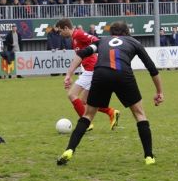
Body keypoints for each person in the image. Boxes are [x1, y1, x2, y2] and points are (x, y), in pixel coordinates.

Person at [57, 21, 163, 166]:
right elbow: (152, 68)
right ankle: (149, 157)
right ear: (126, 33)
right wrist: (159, 91)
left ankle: (69, 150)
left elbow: (81, 53)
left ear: (111, 33)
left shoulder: (102, 41)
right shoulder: (134, 42)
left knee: (87, 115)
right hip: (123, 75)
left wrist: (69, 74)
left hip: (101, 74)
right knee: (139, 114)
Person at [55, 19, 120, 132]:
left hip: (91, 70)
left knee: (72, 94)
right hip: (91, 70)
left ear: (66, 28)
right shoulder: (74, 38)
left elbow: (96, 40)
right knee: (84, 101)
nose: (60, 34)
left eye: (60, 31)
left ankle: (86, 124)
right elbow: (80, 57)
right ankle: (111, 112)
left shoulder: (78, 34)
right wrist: (70, 74)